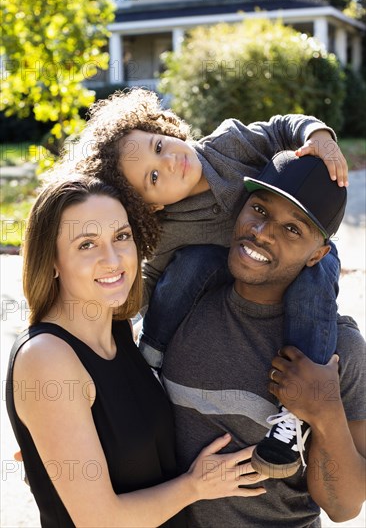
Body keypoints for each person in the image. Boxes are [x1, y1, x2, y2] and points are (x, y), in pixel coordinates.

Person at [69, 88, 348, 475]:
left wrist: (319, 137)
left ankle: (293, 417)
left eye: (158, 146)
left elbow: (282, 127)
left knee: (314, 283)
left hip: (298, 251)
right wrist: (102, 314)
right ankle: (150, 356)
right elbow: (150, 280)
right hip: (230, 263)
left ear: (163, 128)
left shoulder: (227, 144)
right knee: (191, 264)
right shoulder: (168, 230)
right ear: (150, 206)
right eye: (153, 176)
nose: (169, 163)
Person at [6, 176, 268, 528]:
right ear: (51, 260)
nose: (112, 259)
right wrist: (195, 487)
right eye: (86, 245)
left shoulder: (120, 333)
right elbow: (99, 521)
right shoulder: (46, 358)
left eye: (121, 236)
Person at [161, 151, 366, 527]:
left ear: (317, 254)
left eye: (293, 230)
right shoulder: (184, 304)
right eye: (259, 209)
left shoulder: (339, 351)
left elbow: (344, 507)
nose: (263, 232)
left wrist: (324, 411)